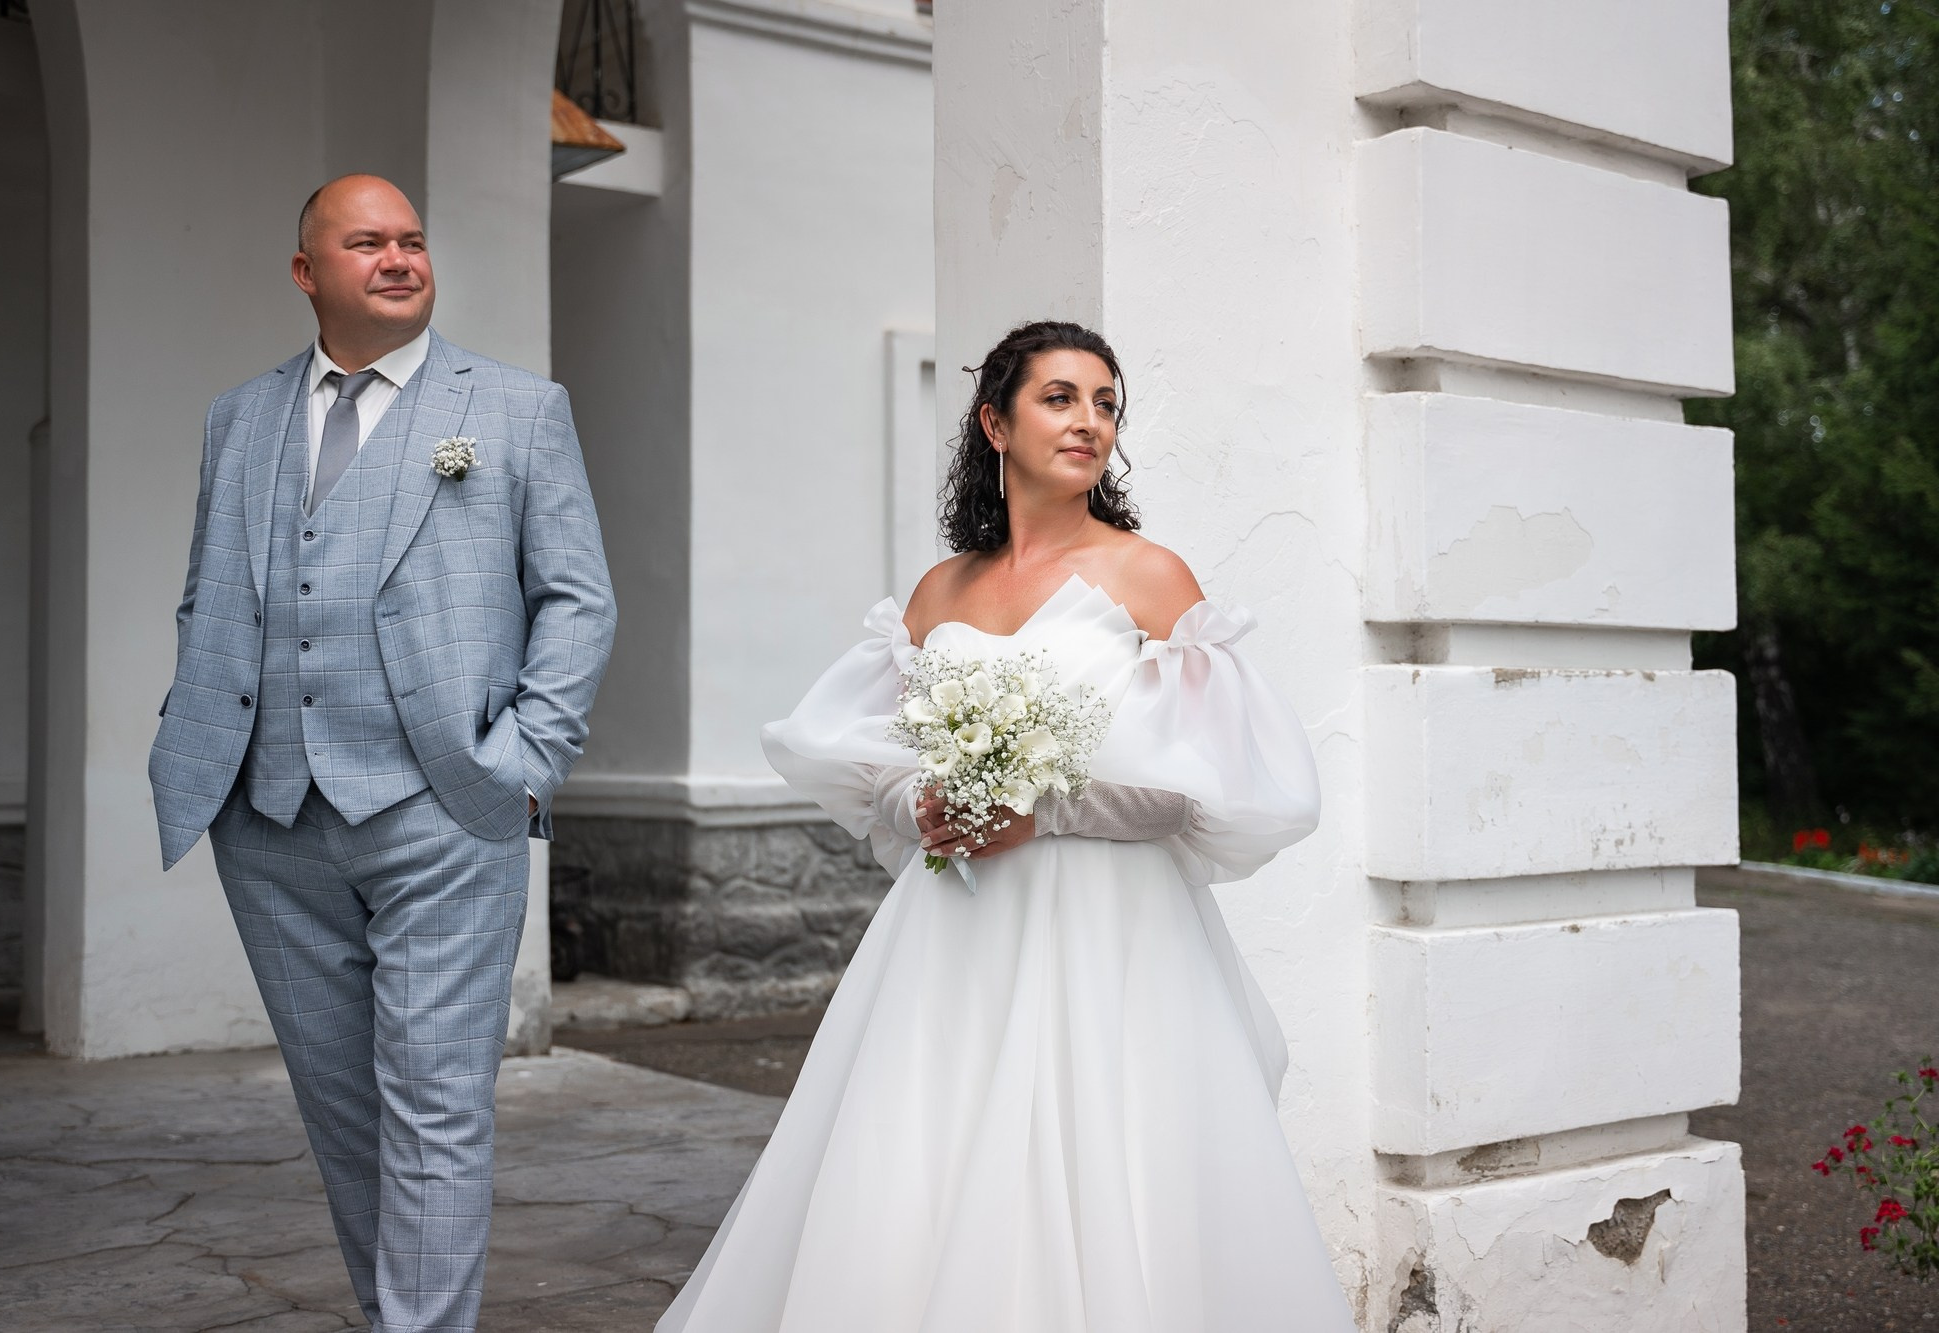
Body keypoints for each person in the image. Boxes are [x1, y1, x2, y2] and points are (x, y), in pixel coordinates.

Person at [656, 321, 1355, 1331]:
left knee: (1107, 1158)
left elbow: (1218, 793)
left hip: (1109, 930)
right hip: (954, 931)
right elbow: (862, 754)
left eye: (1106, 403)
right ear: (994, 419)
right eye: (1060, 397)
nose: (1089, 421)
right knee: (922, 1152)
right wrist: (921, 804)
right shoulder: (941, 590)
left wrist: (1045, 806)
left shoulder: (1150, 578)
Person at [147, 174, 615, 1333]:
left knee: (436, 1104)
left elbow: (577, 601)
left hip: (445, 809)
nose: (399, 257)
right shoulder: (238, 416)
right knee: (343, 1109)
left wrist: (524, 760)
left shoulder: (513, 409)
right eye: (367, 242)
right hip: (265, 817)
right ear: (309, 274)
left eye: (411, 240)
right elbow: (210, 592)